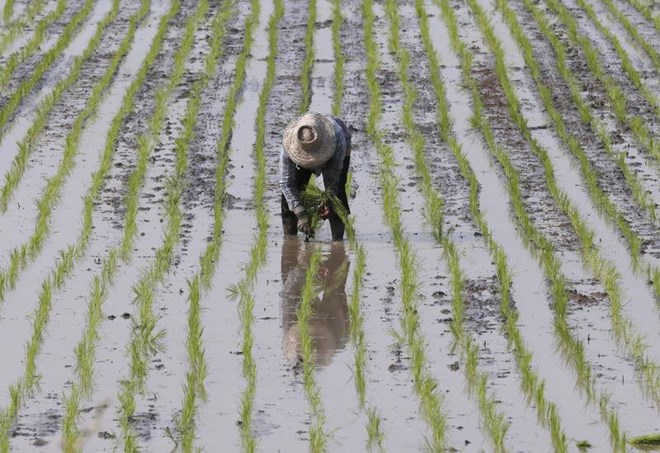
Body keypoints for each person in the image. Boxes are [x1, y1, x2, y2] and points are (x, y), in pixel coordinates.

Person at [280, 111, 351, 241]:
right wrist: (301, 213)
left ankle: (337, 242)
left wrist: (328, 202)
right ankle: (290, 239)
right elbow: (286, 183)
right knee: (292, 193)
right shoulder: (290, 141)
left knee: (337, 196)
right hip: (302, 157)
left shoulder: (337, 139)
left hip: (335, 152)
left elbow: (332, 182)